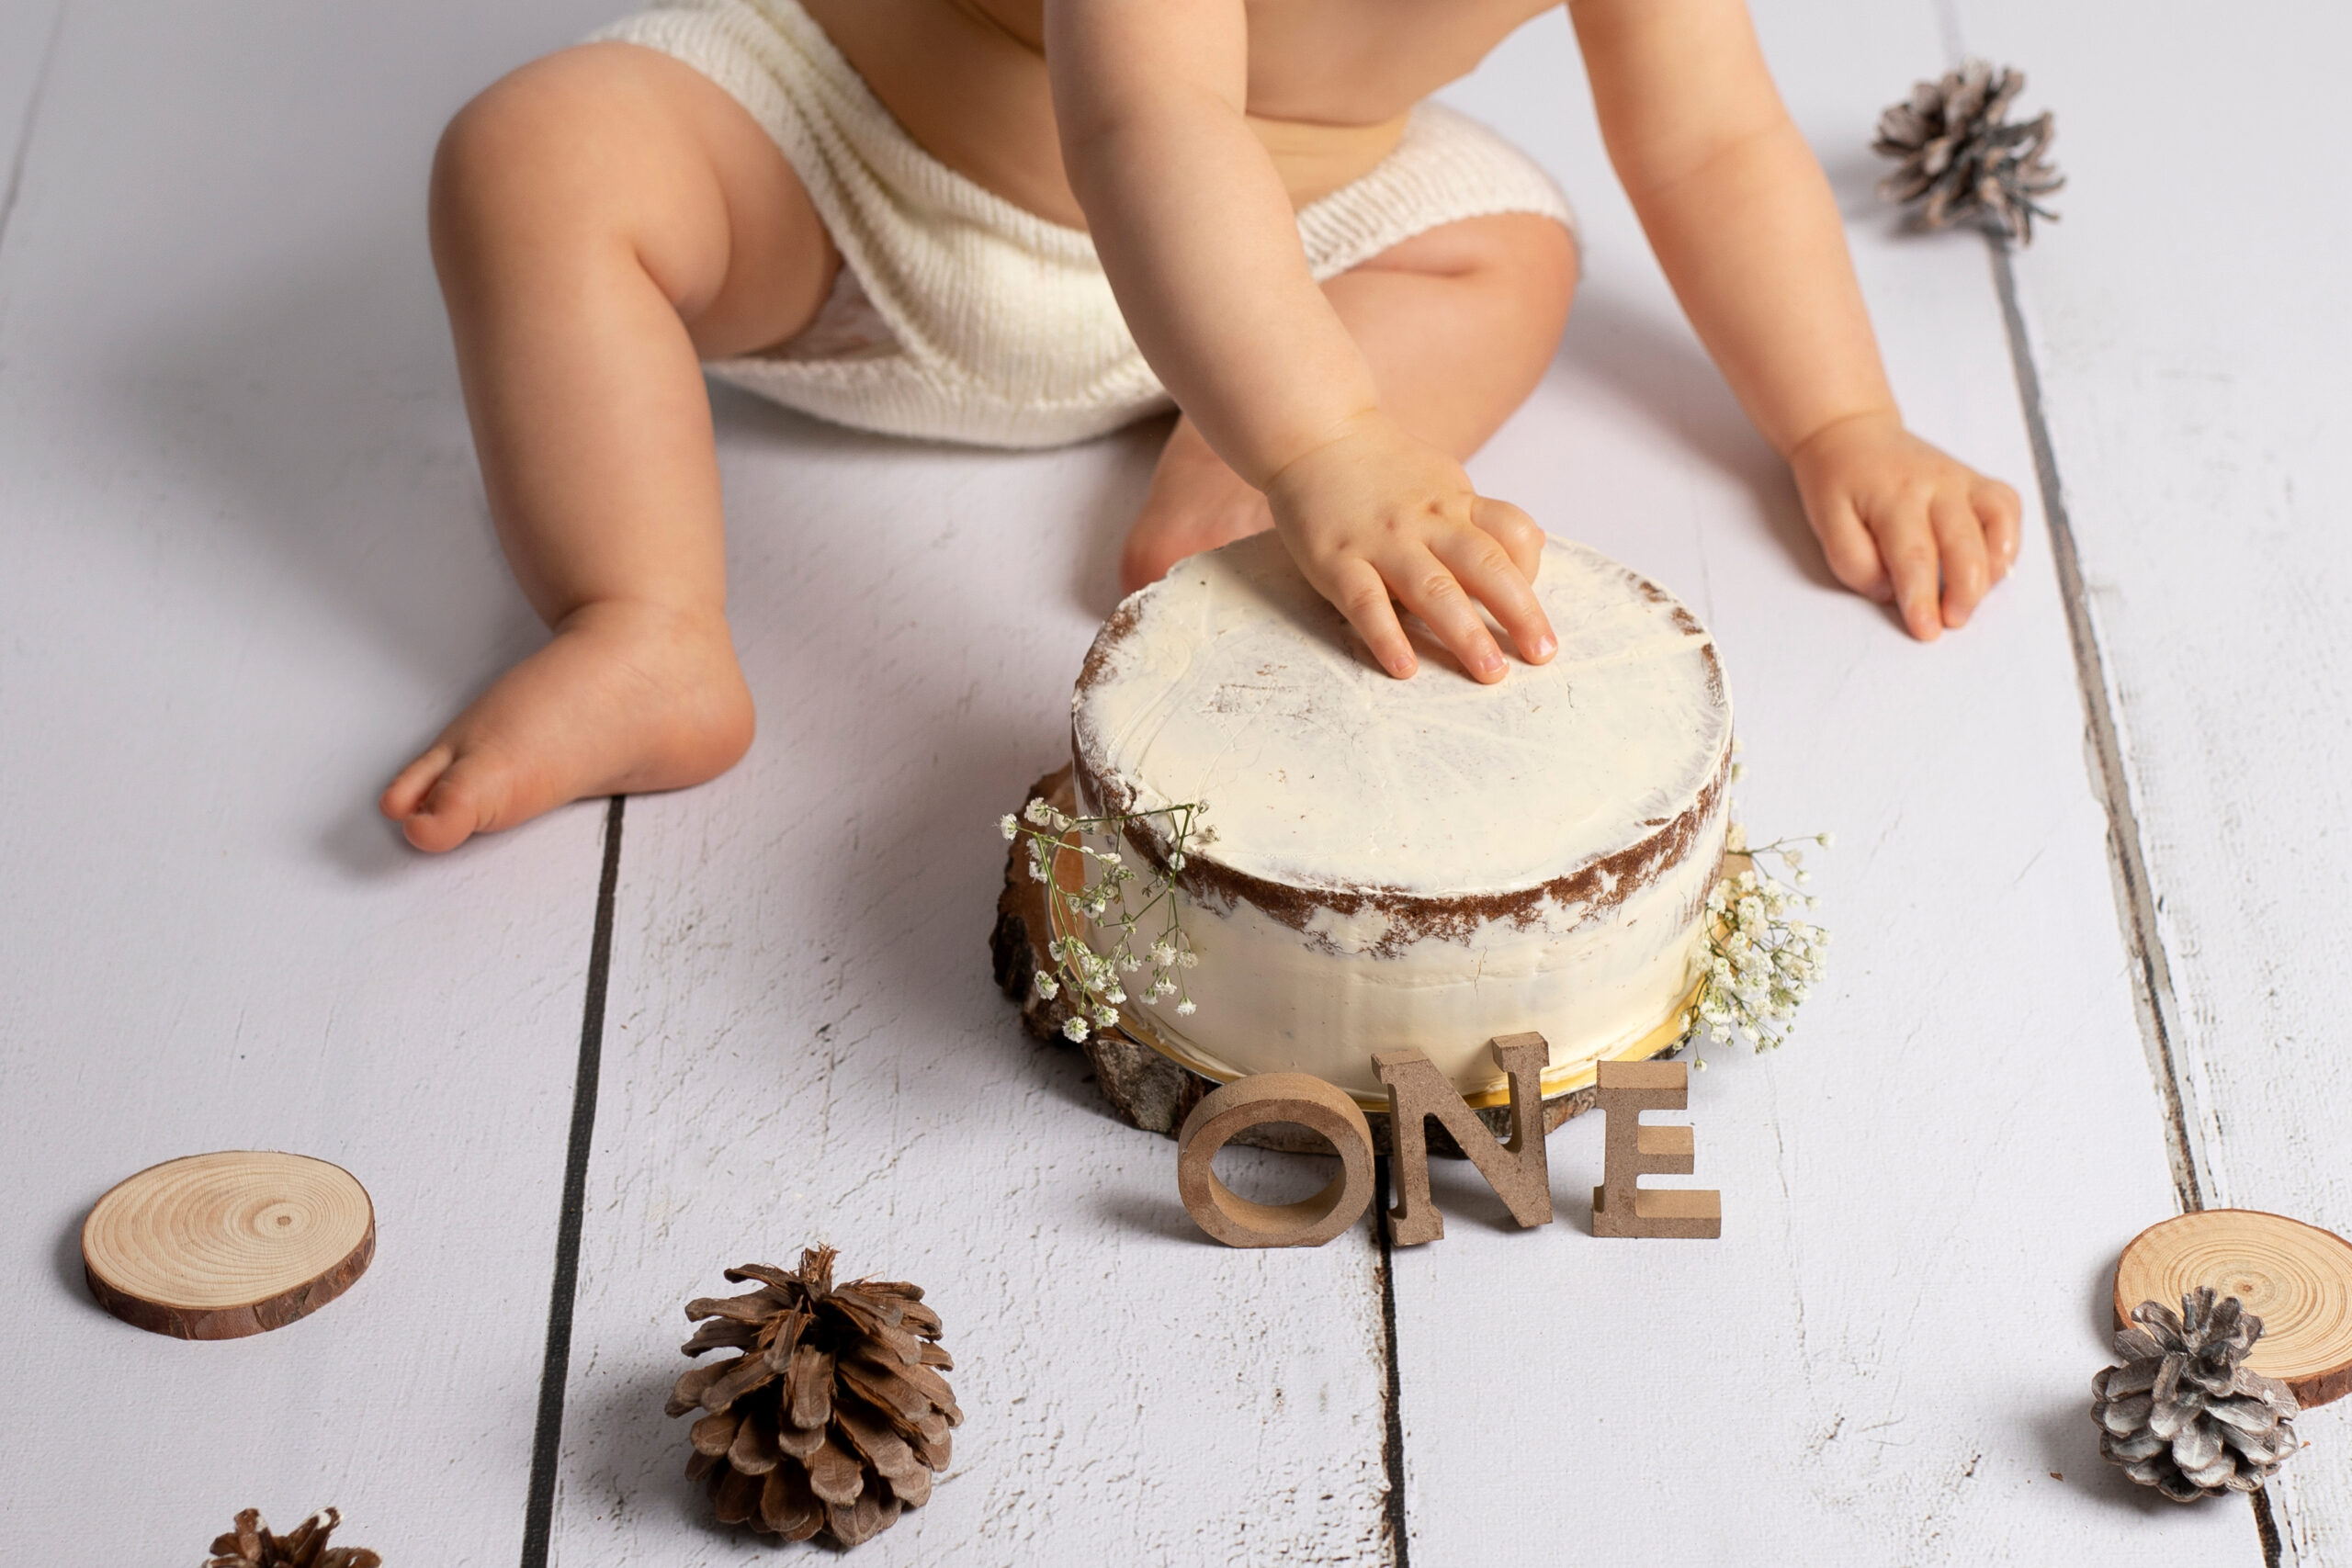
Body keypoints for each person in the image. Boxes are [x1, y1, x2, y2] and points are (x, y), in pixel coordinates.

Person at [382, 0, 2021, 853]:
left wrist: (1842, 420)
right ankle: (644, 620)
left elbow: (1714, 138)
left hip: (1287, 253)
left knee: (1501, 247)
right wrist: (1333, 441)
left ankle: (1220, 483)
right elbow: (1143, 121)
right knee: (540, 158)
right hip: (848, 185)